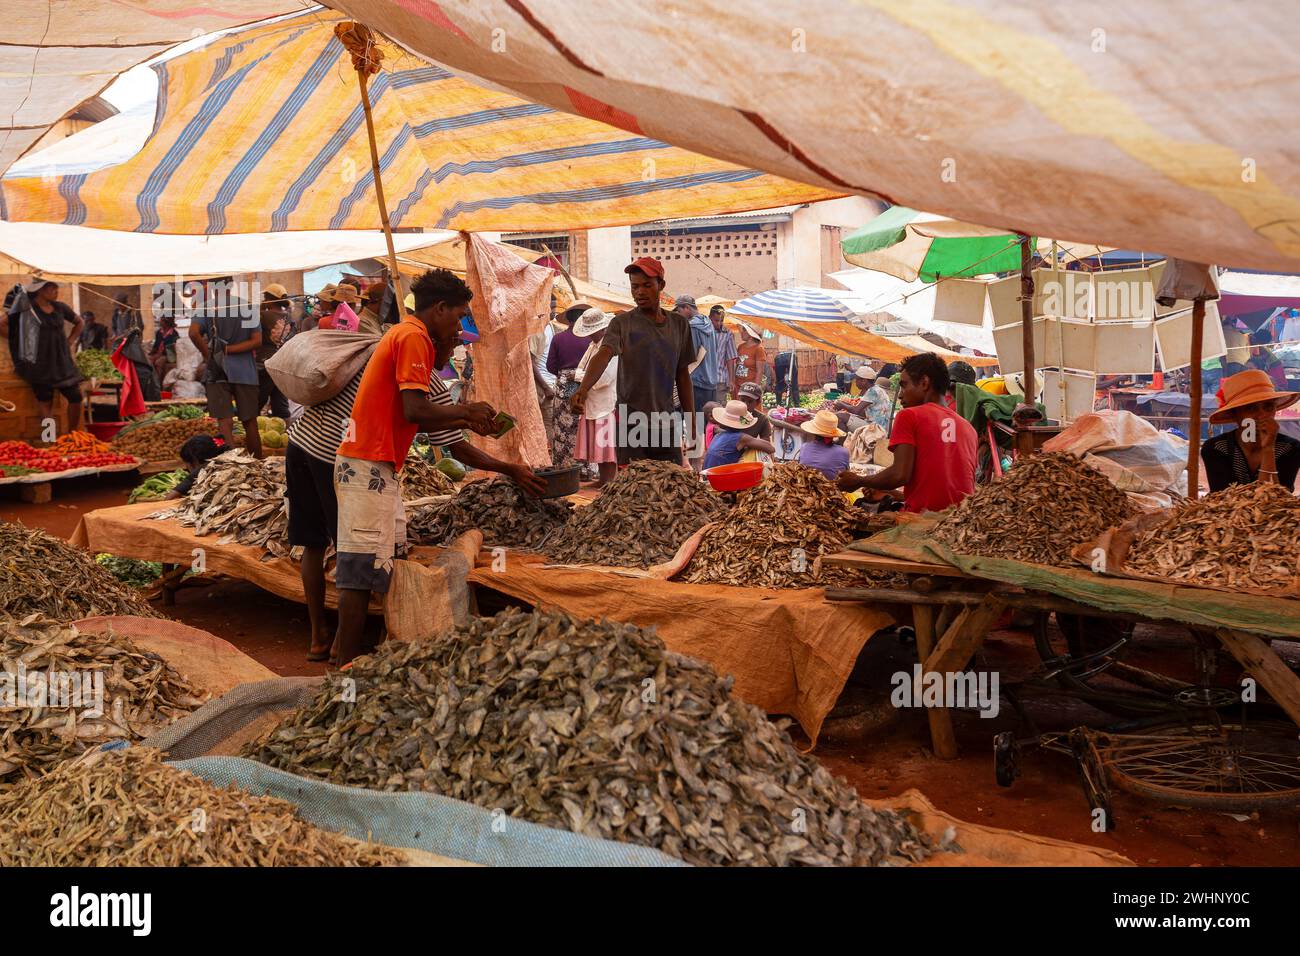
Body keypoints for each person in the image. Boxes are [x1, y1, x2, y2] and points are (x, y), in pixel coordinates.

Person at [331, 268, 545, 665]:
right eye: (459, 316)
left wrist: (466, 421)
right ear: (440, 308)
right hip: (367, 463)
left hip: (378, 467)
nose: (459, 327)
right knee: (359, 570)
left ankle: (359, 654)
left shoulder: (407, 336)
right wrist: (464, 412)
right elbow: (415, 410)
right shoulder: (413, 336)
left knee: (381, 560)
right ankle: (345, 669)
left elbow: (427, 425)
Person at [572, 258, 696, 465]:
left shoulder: (679, 325)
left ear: (661, 285)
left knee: (669, 484)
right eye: (635, 286)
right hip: (631, 421)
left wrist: (692, 421)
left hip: (665, 419)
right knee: (635, 487)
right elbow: (604, 354)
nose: (640, 292)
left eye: (647, 285)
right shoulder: (622, 323)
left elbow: (682, 376)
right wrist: (583, 389)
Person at [836, 353, 977, 513]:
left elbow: (900, 475)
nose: (901, 395)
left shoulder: (909, 416)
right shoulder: (969, 428)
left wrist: (858, 480)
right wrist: (893, 493)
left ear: (924, 383)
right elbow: (943, 488)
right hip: (959, 520)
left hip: (921, 521)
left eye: (904, 385)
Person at [188, 282, 263, 457]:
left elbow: (193, 333)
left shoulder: (205, 307)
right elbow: (257, 340)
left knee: (225, 421)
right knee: (250, 421)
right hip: (246, 372)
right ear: (231, 285)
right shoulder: (247, 306)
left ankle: (231, 462)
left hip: (217, 371)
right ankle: (258, 463)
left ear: (213, 287)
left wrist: (210, 355)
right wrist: (231, 350)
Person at [1, 280, 84, 432]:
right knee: (45, 402)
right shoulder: (26, 308)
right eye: (52, 288)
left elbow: (79, 322)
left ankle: (72, 435)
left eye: (57, 288)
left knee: (75, 397)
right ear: (40, 290)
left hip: (61, 361)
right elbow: (2, 324)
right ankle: (49, 438)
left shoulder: (60, 307)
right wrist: (20, 340)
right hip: (39, 364)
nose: (56, 290)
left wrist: (70, 340)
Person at [1202, 369, 1300, 492]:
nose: (1262, 415)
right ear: (1235, 415)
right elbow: (1224, 500)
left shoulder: (1290, 448)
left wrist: (1268, 449)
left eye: (1268, 407)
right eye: (1251, 408)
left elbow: (1277, 498)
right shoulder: (1216, 448)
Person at [571, 307, 619, 486]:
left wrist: (583, 378)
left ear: (601, 329)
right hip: (591, 401)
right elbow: (580, 369)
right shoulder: (592, 346)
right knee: (597, 444)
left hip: (605, 402)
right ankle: (602, 479)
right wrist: (584, 378)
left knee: (606, 444)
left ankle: (609, 479)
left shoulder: (611, 348)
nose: (589, 336)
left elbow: (604, 379)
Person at [546, 303, 591, 467]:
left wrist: (565, 374)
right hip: (586, 383)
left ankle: (564, 466)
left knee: (562, 427)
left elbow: (550, 366)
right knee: (583, 425)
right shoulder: (590, 340)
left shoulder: (558, 338)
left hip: (563, 386)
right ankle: (585, 468)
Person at [256, 284, 293, 421]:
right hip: (283, 362)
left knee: (257, 401)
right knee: (280, 401)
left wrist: (261, 308)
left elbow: (255, 336)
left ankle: (251, 432)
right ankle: (285, 432)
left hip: (264, 363)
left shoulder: (263, 315)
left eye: (265, 297)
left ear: (269, 299)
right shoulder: (289, 316)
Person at [702, 399, 775, 469]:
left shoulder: (718, 435)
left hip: (707, 473)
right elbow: (771, 448)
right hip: (720, 477)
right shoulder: (741, 438)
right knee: (754, 451)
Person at [681, 295, 724, 408]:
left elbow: (690, 355)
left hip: (697, 383)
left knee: (695, 421)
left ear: (686, 308)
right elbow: (715, 348)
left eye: (679, 311)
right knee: (707, 421)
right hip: (712, 383)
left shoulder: (692, 326)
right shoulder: (709, 324)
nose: (679, 315)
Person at [166, 434, 230, 498]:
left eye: (187, 465)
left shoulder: (203, 469)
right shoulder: (228, 459)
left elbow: (170, 497)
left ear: (194, 460)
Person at [797, 409, 850, 479]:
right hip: (833, 488)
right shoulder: (843, 452)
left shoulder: (805, 447)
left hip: (807, 487)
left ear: (814, 432)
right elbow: (846, 475)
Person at [834, 366, 891, 431]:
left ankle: (843, 441)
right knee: (847, 416)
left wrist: (841, 405)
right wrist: (844, 405)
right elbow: (863, 412)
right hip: (880, 425)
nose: (855, 382)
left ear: (864, 381)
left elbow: (856, 410)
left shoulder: (872, 392)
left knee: (840, 417)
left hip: (876, 428)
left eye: (857, 380)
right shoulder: (877, 389)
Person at [709, 305, 739, 396]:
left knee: (719, 408)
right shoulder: (703, 331)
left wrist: (731, 380)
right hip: (704, 379)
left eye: (721, 321)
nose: (719, 323)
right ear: (710, 318)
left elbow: (730, 359)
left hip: (720, 379)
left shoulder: (727, 334)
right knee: (703, 408)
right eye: (716, 320)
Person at [732, 323, 767, 399]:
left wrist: (754, 389)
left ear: (751, 334)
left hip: (749, 389)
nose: (741, 332)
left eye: (744, 330)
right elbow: (737, 365)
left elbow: (760, 371)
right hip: (738, 386)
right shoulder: (741, 347)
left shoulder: (759, 349)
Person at [149, 313, 179, 382]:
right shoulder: (159, 332)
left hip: (168, 355)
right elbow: (156, 345)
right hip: (158, 353)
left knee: (158, 363)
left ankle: (158, 383)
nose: (160, 322)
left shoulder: (174, 334)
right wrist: (150, 353)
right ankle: (151, 381)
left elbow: (174, 348)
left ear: (167, 322)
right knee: (149, 360)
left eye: (162, 320)